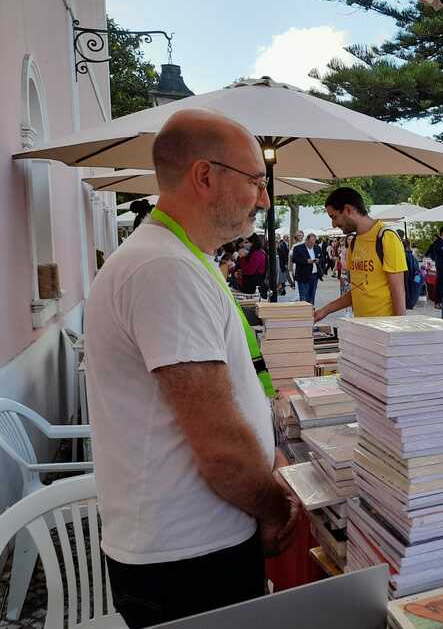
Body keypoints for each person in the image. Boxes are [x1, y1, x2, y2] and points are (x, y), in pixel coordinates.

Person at [83, 109, 299, 627]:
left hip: (188, 546)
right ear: (206, 176)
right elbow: (219, 442)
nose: (264, 199)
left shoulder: (181, 257)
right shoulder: (165, 267)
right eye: (255, 181)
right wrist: (274, 508)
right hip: (188, 557)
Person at [315, 187, 407, 322]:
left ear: (348, 210)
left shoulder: (386, 237)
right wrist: (325, 311)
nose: (334, 224)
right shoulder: (354, 242)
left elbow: (398, 291)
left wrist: (399, 332)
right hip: (362, 327)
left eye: (334, 217)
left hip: (384, 328)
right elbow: (358, 290)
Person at [293, 232, 324, 304]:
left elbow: (322, 258)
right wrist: (306, 261)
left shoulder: (317, 247)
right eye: (310, 242)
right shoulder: (298, 248)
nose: (312, 244)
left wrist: (318, 260)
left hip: (314, 275)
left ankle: (311, 310)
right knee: (304, 296)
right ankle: (304, 312)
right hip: (303, 275)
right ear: (306, 240)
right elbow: (294, 259)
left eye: (314, 242)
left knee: (312, 295)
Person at [426, 226, 443, 308]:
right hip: (441, 266)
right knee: (440, 284)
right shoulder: (437, 242)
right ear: (442, 233)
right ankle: (438, 302)